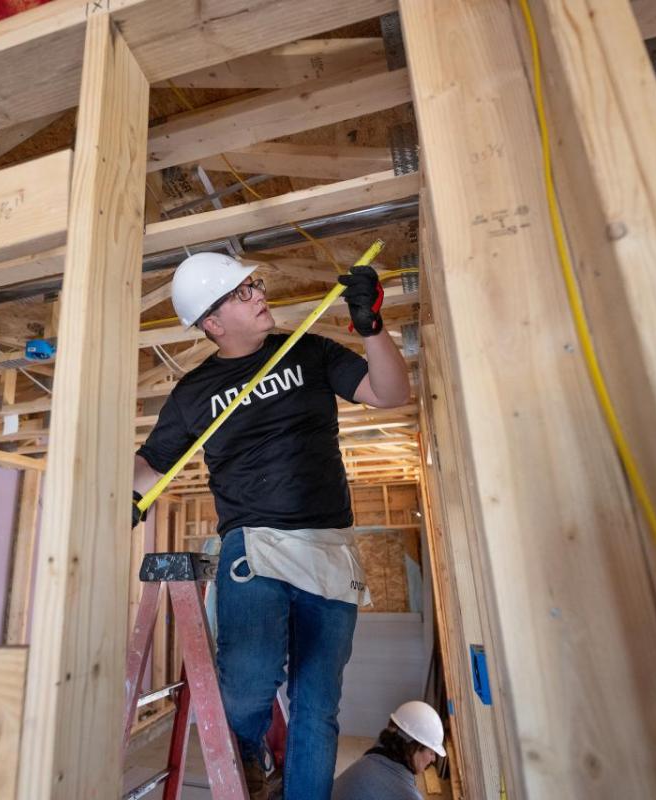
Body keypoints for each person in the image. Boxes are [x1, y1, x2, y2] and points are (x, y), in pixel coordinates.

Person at [132, 251, 411, 799]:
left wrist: (372, 328)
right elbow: (152, 467)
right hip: (252, 545)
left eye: (253, 285)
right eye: (241, 293)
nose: (259, 294)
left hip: (329, 548)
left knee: (318, 704)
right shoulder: (193, 395)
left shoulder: (308, 351)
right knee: (248, 684)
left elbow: (391, 394)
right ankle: (249, 747)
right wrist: (118, 502)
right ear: (212, 323)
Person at [331, 701, 446, 800]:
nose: (433, 759)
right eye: (431, 752)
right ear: (414, 747)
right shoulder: (405, 793)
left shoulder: (378, 752)